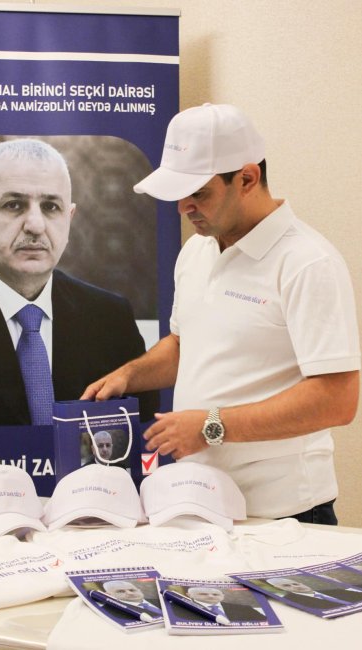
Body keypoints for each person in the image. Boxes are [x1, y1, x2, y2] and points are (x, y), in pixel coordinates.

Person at [81, 103, 360, 524]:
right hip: (198, 503)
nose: (183, 207)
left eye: (199, 193)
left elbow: (337, 399)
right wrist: (129, 376)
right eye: (180, 194)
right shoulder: (197, 250)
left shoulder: (307, 262)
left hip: (285, 514)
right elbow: (185, 345)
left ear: (246, 178)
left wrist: (210, 426)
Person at [0, 138, 158, 426]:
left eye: (50, 207)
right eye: (14, 205)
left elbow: (143, 438)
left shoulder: (110, 319)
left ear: (69, 219)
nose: (36, 225)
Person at [265, 577, 362, 609]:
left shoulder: (334, 591)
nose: (295, 587)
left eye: (295, 583)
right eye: (287, 586)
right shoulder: (291, 601)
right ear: (279, 588)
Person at [185, 586, 267, 623]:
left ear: (223, 596)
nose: (210, 596)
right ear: (189, 595)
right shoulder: (184, 608)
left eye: (215, 594)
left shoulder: (244, 609)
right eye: (203, 594)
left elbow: (264, 621)